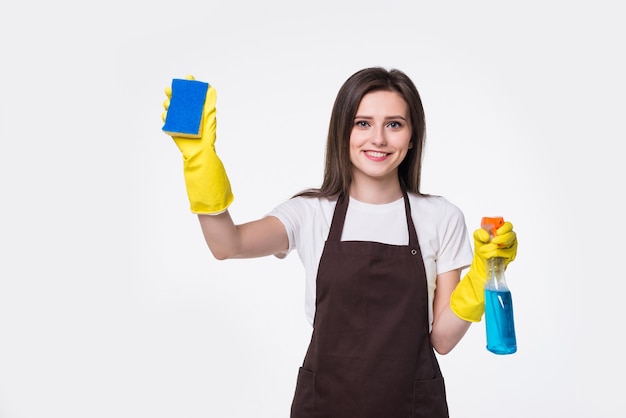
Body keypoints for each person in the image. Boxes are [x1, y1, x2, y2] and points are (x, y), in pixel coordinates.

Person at [162, 67, 518, 418]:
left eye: (394, 124)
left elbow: (442, 339)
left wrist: (483, 276)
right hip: (324, 406)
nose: (378, 138)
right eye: (362, 123)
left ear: (412, 137)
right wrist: (199, 162)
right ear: (342, 132)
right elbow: (228, 244)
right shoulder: (310, 212)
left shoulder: (441, 216)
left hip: (412, 408)